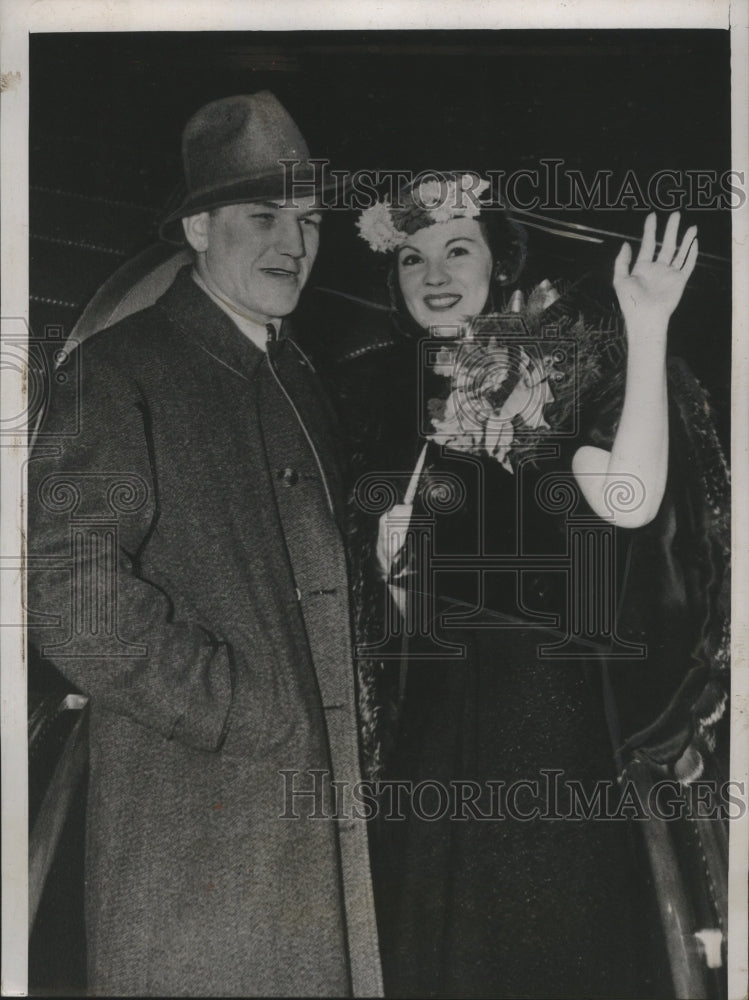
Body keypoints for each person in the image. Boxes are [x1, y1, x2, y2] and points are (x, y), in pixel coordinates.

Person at [335, 175, 729, 998]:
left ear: (498, 264)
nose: (434, 274)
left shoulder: (551, 365)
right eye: (411, 258)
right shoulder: (383, 398)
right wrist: (393, 577)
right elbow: (399, 614)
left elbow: (629, 500)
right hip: (430, 724)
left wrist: (646, 324)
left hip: (537, 713)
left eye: (457, 250)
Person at [26, 92, 384, 998]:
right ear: (196, 228)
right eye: (263, 216)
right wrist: (241, 710)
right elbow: (68, 594)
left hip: (313, 836)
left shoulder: (296, 375)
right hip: (194, 843)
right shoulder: (116, 370)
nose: (294, 244)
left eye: (308, 220)